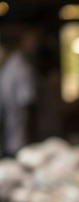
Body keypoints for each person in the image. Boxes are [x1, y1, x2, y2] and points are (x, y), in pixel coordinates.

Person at [0, 19, 61, 158]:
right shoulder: (20, 69)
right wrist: (32, 144)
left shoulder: (11, 68)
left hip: (15, 141)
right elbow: (28, 106)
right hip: (23, 143)